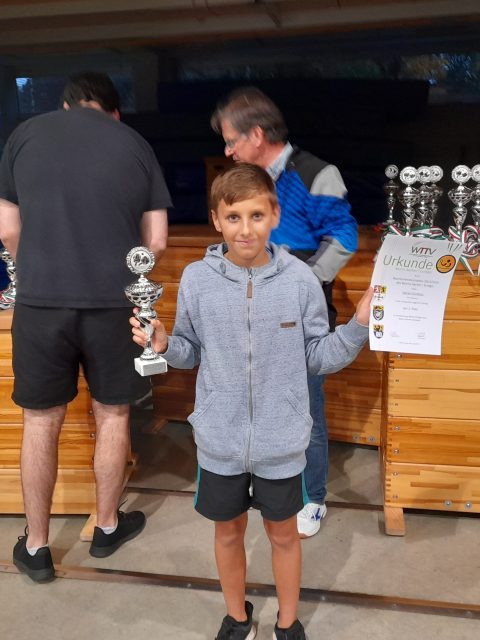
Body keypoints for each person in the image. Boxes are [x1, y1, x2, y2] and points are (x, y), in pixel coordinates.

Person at [130, 163, 371, 640]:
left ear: (274, 215)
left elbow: (317, 356)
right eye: (234, 217)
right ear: (216, 220)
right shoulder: (197, 279)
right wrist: (164, 344)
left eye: (256, 216)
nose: (246, 229)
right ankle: (236, 618)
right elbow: (189, 351)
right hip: (219, 440)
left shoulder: (300, 280)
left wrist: (358, 326)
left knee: (283, 534)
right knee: (227, 532)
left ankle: (287, 621)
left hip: (281, 442)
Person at [0, 71, 171, 582]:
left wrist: (32, 273)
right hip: (115, 304)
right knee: (113, 415)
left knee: (39, 422)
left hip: (40, 305)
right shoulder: (134, 142)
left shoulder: (24, 135)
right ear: (114, 111)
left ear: (67, 105)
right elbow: (156, 241)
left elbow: (7, 228)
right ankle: (107, 527)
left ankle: (36, 547)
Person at [211, 87, 358, 538]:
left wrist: (298, 285)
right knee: (253, 404)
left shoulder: (318, 174)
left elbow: (344, 237)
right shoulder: (245, 181)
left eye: (232, 140)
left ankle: (312, 498)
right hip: (246, 317)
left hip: (299, 319)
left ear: (257, 134)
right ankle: (260, 485)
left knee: (304, 411)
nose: (227, 151)